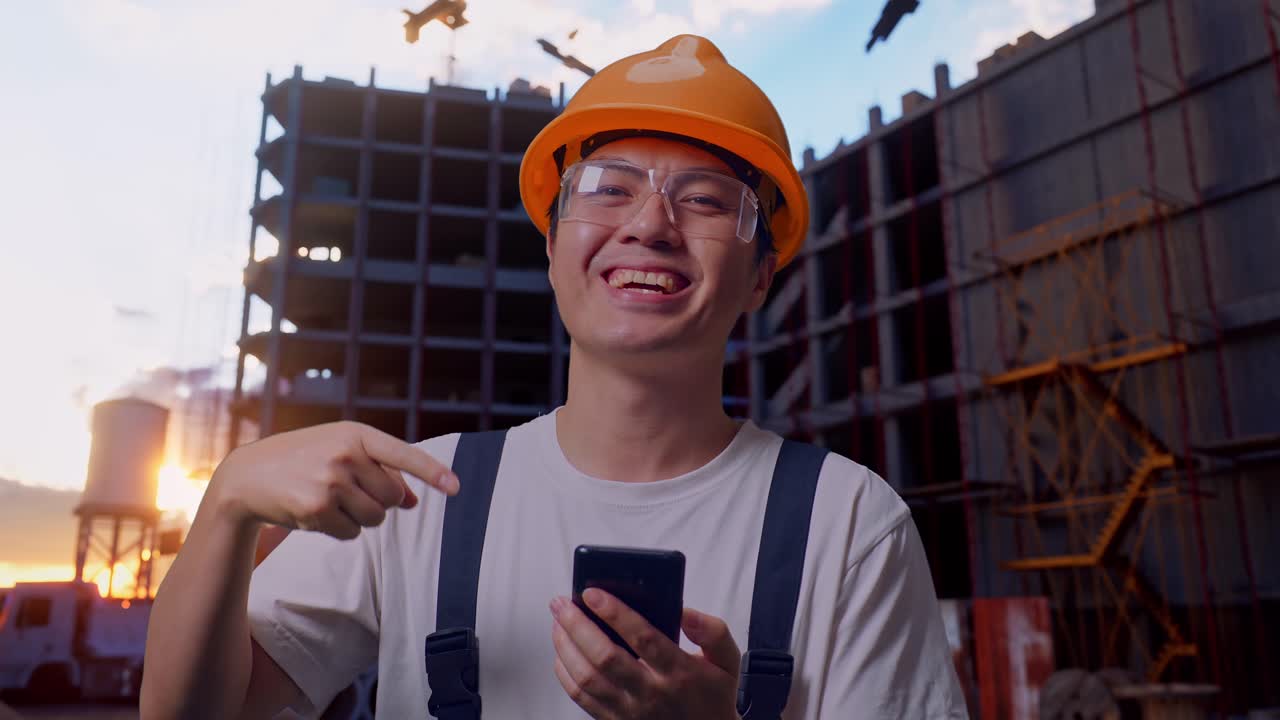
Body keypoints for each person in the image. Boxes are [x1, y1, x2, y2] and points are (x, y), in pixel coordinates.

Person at [141, 34, 966, 719]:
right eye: (608, 189)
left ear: (759, 278)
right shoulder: (424, 500)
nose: (649, 225)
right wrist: (227, 506)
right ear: (554, 245)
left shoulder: (850, 527)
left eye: (707, 200)